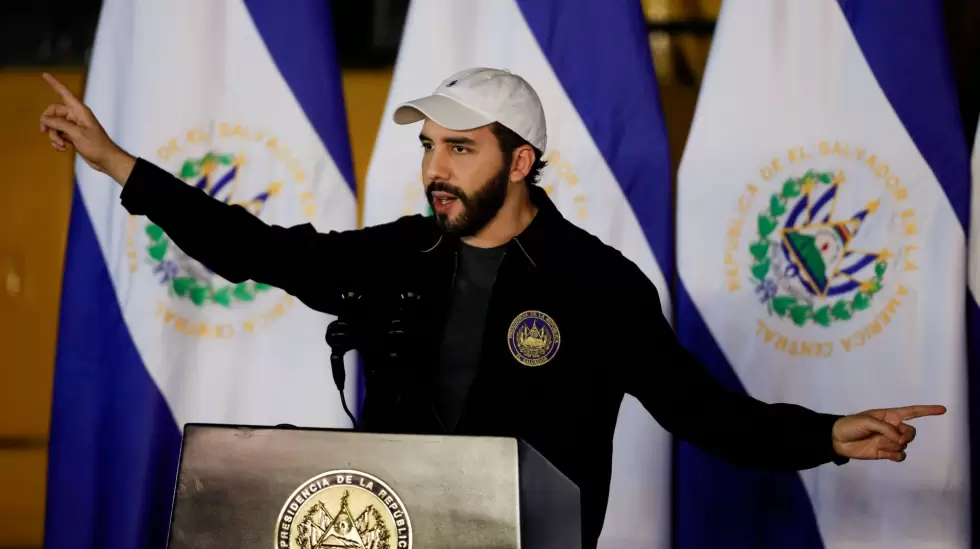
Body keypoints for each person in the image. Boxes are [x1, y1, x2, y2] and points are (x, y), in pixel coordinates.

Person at [39, 68, 945, 548]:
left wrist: (823, 434)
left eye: (459, 148)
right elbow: (257, 251)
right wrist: (122, 164)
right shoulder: (397, 252)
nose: (434, 167)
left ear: (519, 162)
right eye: (430, 145)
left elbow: (701, 411)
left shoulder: (597, 283)